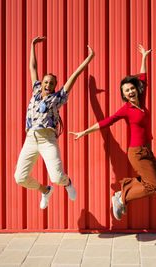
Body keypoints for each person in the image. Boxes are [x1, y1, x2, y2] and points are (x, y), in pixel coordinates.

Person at [70, 45, 156, 220]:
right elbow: (106, 122)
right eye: (126, 91)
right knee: (154, 186)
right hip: (137, 152)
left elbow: (142, 78)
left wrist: (144, 57)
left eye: (132, 88)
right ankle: (121, 196)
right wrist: (84, 132)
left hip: (147, 150)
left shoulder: (141, 102)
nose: (131, 91)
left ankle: (125, 188)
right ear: (124, 95)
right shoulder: (126, 110)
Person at [14, 36, 94, 209]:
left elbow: (74, 76)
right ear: (41, 84)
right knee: (20, 177)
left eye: (51, 83)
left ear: (55, 85)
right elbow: (32, 67)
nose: (48, 84)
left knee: (57, 177)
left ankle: (67, 183)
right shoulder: (35, 90)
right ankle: (45, 190)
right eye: (45, 82)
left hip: (47, 140)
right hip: (30, 139)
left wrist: (88, 59)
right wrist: (32, 45)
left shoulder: (58, 98)